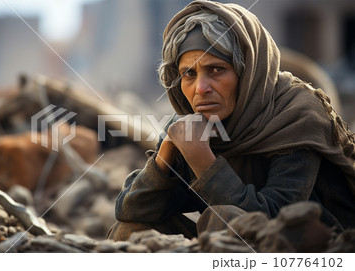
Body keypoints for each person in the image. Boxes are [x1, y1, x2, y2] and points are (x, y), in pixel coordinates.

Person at [107, 0, 355, 241]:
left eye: (216, 70)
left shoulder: (297, 115)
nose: (201, 88)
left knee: (224, 219)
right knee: (131, 230)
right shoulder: (187, 123)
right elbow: (132, 210)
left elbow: (278, 218)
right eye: (188, 74)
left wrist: (203, 162)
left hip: (314, 245)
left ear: (246, 73)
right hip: (227, 240)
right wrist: (167, 151)